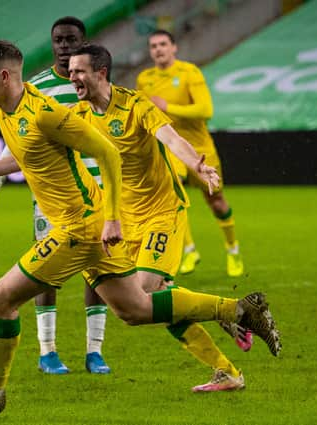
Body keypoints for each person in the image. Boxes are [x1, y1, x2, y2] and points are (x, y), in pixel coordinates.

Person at [0, 37, 281, 417]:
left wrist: (113, 216)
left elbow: (108, 155)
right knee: (134, 309)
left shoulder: (47, 114)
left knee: (0, 299)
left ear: (4, 76)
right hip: (92, 224)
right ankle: (238, 310)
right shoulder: (0, 104)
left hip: (81, 227)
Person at [68, 43, 251, 391]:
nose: (72, 76)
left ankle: (234, 310)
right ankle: (227, 370)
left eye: (78, 70)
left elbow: (170, 138)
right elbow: (33, 148)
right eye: (70, 70)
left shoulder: (135, 103)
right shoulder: (80, 115)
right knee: (154, 302)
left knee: (140, 298)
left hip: (162, 211)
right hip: (123, 219)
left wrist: (194, 162)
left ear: (100, 73)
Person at [0, 16, 111, 375]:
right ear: (52, 44)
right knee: (44, 274)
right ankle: (48, 350)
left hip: (98, 194)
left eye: (72, 40)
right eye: (59, 40)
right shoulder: (34, 89)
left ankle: (94, 350)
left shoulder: (97, 87)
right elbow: (15, 143)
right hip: (52, 197)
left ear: (83, 43)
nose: (65, 46)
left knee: (96, 273)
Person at [136, 30, 244, 277]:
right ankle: (189, 249)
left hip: (200, 150)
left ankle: (232, 250)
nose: (158, 49)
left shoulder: (189, 73)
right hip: (170, 149)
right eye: (153, 46)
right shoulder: (145, 79)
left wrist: (169, 107)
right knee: (172, 195)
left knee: (216, 202)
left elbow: (206, 110)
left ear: (174, 48)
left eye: (163, 44)